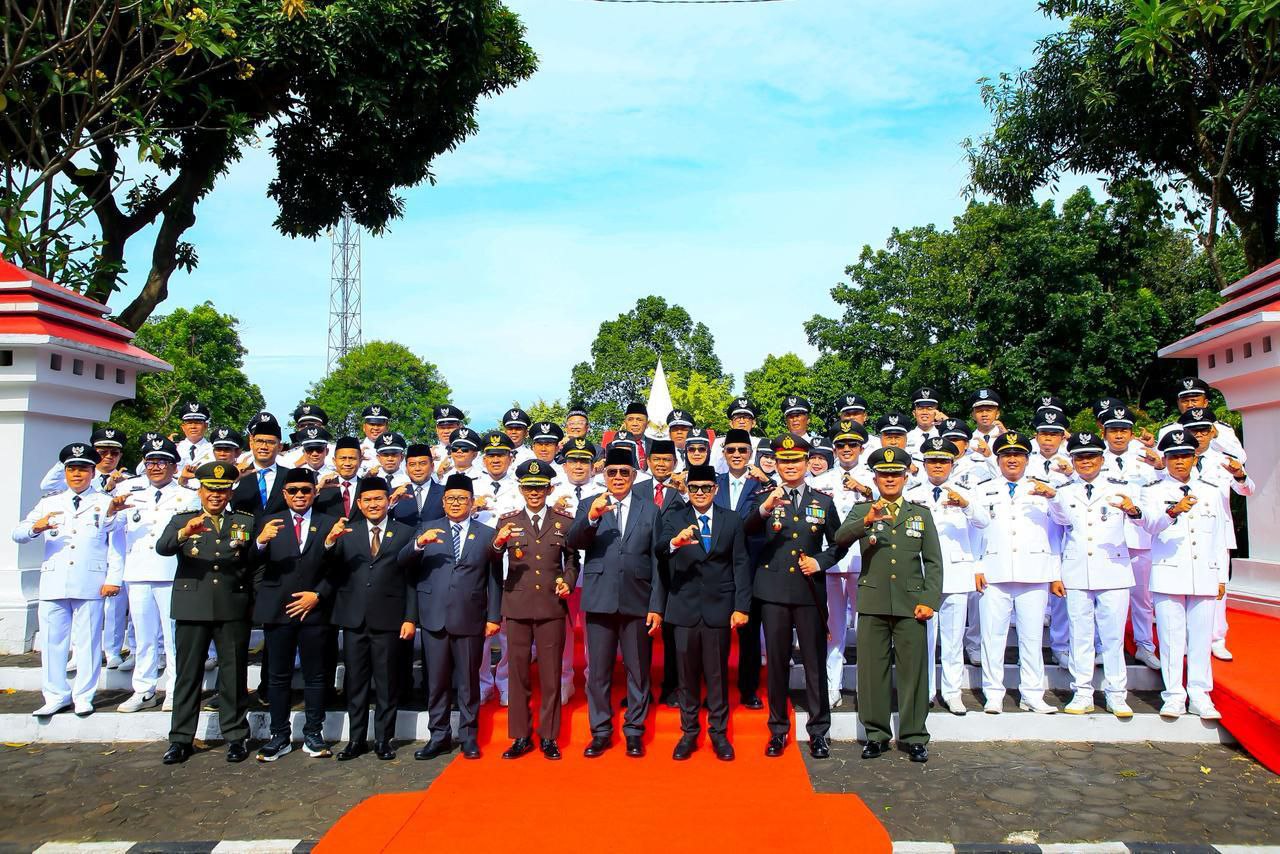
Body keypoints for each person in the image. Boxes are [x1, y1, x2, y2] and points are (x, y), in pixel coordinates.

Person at [836, 446, 943, 763]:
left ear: (906, 476)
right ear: (875, 478)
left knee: (914, 672)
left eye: (896, 474)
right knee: (872, 672)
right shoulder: (862, 510)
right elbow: (840, 538)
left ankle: (914, 735)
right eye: (884, 474)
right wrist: (866, 521)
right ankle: (876, 735)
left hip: (912, 604)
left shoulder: (920, 515)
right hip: (873, 601)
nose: (890, 479)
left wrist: (929, 600)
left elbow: (933, 562)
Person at [745, 433, 845, 760]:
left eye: (796, 460)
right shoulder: (763, 497)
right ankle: (777, 730)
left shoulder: (823, 501)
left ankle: (818, 731)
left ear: (806, 462)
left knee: (814, 663)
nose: (790, 466)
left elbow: (839, 543)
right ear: (776, 464)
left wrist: (820, 562)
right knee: (777, 663)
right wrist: (765, 508)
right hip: (772, 591)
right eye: (784, 461)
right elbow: (745, 530)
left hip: (808, 591)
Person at [567, 446, 666, 759]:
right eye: (613, 472)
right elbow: (574, 542)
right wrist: (592, 518)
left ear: (634, 476)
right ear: (604, 476)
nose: (619, 477)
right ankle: (600, 731)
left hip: (638, 599)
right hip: (600, 599)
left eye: (625, 472)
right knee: (598, 672)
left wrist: (656, 605)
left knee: (638, 671)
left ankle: (635, 730)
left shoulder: (649, 509)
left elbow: (658, 560)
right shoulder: (589, 504)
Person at [157, 461, 258, 764]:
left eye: (222, 490)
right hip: (193, 605)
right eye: (211, 490)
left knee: (234, 674)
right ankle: (180, 739)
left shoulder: (244, 521)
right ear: (200, 491)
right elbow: (163, 547)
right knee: (188, 676)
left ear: (230, 493)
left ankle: (236, 736)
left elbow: (253, 563)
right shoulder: (182, 519)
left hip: (231, 604)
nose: (216, 495)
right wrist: (184, 533)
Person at [14, 444, 125, 717]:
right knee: (52, 642)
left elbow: (116, 545)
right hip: (54, 580)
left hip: (90, 579)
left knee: (88, 642)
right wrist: (35, 528)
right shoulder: (49, 503)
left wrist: (113, 578)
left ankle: (84, 695)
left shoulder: (105, 502)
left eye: (83, 469)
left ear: (92, 472)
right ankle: (55, 695)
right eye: (72, 469)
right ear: (65, 473)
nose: (77, 474)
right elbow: (18, 533)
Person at [404, 473, 502, 761]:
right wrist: (418, 544)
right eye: (450, 499)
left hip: (470, 616)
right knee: (436, 682)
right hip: (434, 617)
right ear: (443, 502)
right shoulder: (427, 528)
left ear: (472, 503)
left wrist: (494, 616)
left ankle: (469, 737)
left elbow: (494, 578)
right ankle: (439, 736)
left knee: (469, 681)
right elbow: (403, 562)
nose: (456, 503)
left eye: (462, 499)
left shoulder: (487, 533)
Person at [1042, 432, 1139, 717]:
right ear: (1072, 460)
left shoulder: (1120, 488)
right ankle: (1082, 691)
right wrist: (1055, 574)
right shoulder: (1063, 491)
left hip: (1113, 571)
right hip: (1076, 571)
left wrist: (1134, 511)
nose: (1086, 462)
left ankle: (1116, 694)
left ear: (1102, 459)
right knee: (1080, 635)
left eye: (1091, 456)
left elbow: (1146, 522)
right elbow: (1056, 532)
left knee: (1112, 637)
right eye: (1080, 457)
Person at [319, 476, 416, 761]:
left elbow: (411, 578)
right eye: (368, 500)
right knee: (356, 683)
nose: (373, 504)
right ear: (359, 504)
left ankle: (384, 740)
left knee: (387, 683)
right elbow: (330, 568)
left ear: (388, 501)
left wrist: (410, 617)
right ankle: (356, 739)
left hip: (389, 618)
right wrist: (329, 542)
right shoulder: (347, 531)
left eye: (378, 499)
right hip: (354, 619)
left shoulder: (405, 532)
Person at [661, 464, 751, 762]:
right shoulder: (675, 517)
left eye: (706, 488)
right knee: (686, 676)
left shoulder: (731, 519)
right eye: (694, 488)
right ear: (686, 489)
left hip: (719, 607)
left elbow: (740, 563)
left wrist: (741, 606)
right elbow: (659, 549)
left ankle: (719, 733)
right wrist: (675, 542)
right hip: (683, 607)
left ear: (715, 489)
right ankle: (689, 732)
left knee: (717, 674)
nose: (700, 493)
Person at [972, 432, 1065, 715]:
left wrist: (1055, 573)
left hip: (1034, 571)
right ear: (998, 459)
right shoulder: (983, 489)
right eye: (1006, 455)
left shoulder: (1044, 489)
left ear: (1027, 459)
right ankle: (993, 694)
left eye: (1018, 455)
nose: (1012, 460)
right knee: (992, 637)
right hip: (994, 571)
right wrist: (977, 567)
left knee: (1032, 638)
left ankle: (1033, 694)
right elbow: (975, 530)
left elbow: (1060, 528)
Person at [1140, 430, 1230, 720]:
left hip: (1204, 572)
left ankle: (1200, 695)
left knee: (1201, 638)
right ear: (1165, 459)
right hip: (1169, 571)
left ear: (1194, 458)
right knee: (1171, 638)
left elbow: (1219, 536)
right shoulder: (1153, 490)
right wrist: (1173, 511)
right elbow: (1149, 525)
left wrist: (1221, 576)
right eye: (1173, 456)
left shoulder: (1211, 491)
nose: (1179, 462)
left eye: (1185, 456)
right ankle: (1174, 695)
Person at [252, 467, 341, 761]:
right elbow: (248, 562)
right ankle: (279, 735)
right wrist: (261, 541)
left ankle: (314, 733)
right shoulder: (269, 521)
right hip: (278, 609)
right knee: (278, 677)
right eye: (293, 490)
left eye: (306, 490)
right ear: (284, 493)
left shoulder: (329, 522)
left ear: (315, 493)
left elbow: (339, 567)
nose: (300, 495)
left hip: (315, 609)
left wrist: (318, 594)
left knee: (316, 676)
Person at [492, 460, 578, 760]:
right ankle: (520, 736)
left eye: (540, 488)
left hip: (551, 606)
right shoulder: (507, 521)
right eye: (529, 487)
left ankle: (549, 736)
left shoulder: (564, 522)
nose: (534, 492)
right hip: (517, 605)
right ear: (521, 489)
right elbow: (493, 558)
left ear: (550, 489)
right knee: (518, 675)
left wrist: (568, 581)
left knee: (551, 675)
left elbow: (572, 560)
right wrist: (497, 544)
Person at [903, 437, 988, 715]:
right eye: (932, 461)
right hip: (922, 573)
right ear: (924, 464)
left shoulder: (967, 490)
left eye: (943, 461)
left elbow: (983, 522)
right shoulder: (912, 492)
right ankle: (925, 690)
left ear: (952, 464)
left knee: (953, 640)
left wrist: (965, 504)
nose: (937, 466)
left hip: (955, 572)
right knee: (924, 638)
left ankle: (952, 692)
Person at [116, 438, 198, 713]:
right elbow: (111, 530)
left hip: (172, 572)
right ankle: (143, 689)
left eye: (162, 462)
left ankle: (175, 690)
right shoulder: (129, 493)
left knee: (174, 637)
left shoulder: (188, 496)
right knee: (143, 637)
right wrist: (111, 512)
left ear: (174, 467)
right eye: (151, 462)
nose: (156, 467)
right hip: (138, 571)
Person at [808, 420, 876, 709]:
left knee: (867, 628)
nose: (847, 449)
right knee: (833, 628)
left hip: (865, 559)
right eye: (841, 445)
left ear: (862, 448)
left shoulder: (875, 477)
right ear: (834, 449)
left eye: (852, 444)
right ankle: (831, 685)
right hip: (832, 562)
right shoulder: (820, 481)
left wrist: (867, 491)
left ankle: (867, 687)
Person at [1177, 406, 1253, 661]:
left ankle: (1217, 638)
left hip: (1218, 532)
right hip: (1184, 531)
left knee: (1218, 586)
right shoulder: (1174, 460)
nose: (1198, 435)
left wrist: (1240, 475)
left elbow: (1246, 490)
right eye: (1193, 430)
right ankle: (1186, 637)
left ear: (1212, 432)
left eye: (1203, 430)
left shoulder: (1225, 460)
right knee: (1183, 585)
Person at [1098, 405, 1162, 671]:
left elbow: (1159, 493)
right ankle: (1102, 647)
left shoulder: (1146, 459)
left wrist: (1159, 466)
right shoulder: (1094, 457)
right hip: (1107, 539)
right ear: (1104, 433)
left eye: (1123, 430)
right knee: (1104, 598)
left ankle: (1145, 645)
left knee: (1142, 598)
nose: (1118, 435)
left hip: (1139, 537)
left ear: (1131, 433)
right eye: (1113, 430)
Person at [714, 428, 772, 709]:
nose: (736, 454)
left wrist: (768, 480)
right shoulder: (713, 483)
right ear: (724, 453)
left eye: (742, 450)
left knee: (749, 633)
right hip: (718, 568)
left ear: (751, 454)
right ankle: (716, 690)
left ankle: (749, 689)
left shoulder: (763, 484)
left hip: (751, 566)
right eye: (731, 450)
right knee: (716, 634)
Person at [175, 402, 214, 467]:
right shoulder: (175, 449)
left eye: (197, 423)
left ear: (206, 426)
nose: (193, 427)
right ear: (183, 427)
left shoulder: (214, 450)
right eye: (189, 423)